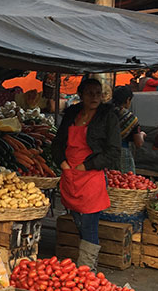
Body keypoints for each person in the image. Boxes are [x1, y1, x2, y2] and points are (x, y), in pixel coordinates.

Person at [51, 78, 121, 270]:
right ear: (80, 94)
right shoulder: (72, 114)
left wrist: (88, 165)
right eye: (90, 93)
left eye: (98, 93)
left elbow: (114, 151)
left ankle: (86, 269)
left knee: (89, 224)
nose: (95, 97)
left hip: (91, 176)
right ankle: (90, 264)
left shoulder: (108, 117)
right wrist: (62, 163)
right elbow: (57, 143)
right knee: (78, 221)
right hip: (70, 175)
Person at [112, 86, 145, 173]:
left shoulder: (106, 113)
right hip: (122, 153)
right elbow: (139, 143)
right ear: (128, 100)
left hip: (105, 153)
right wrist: (142, 134)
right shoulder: (131, 118)